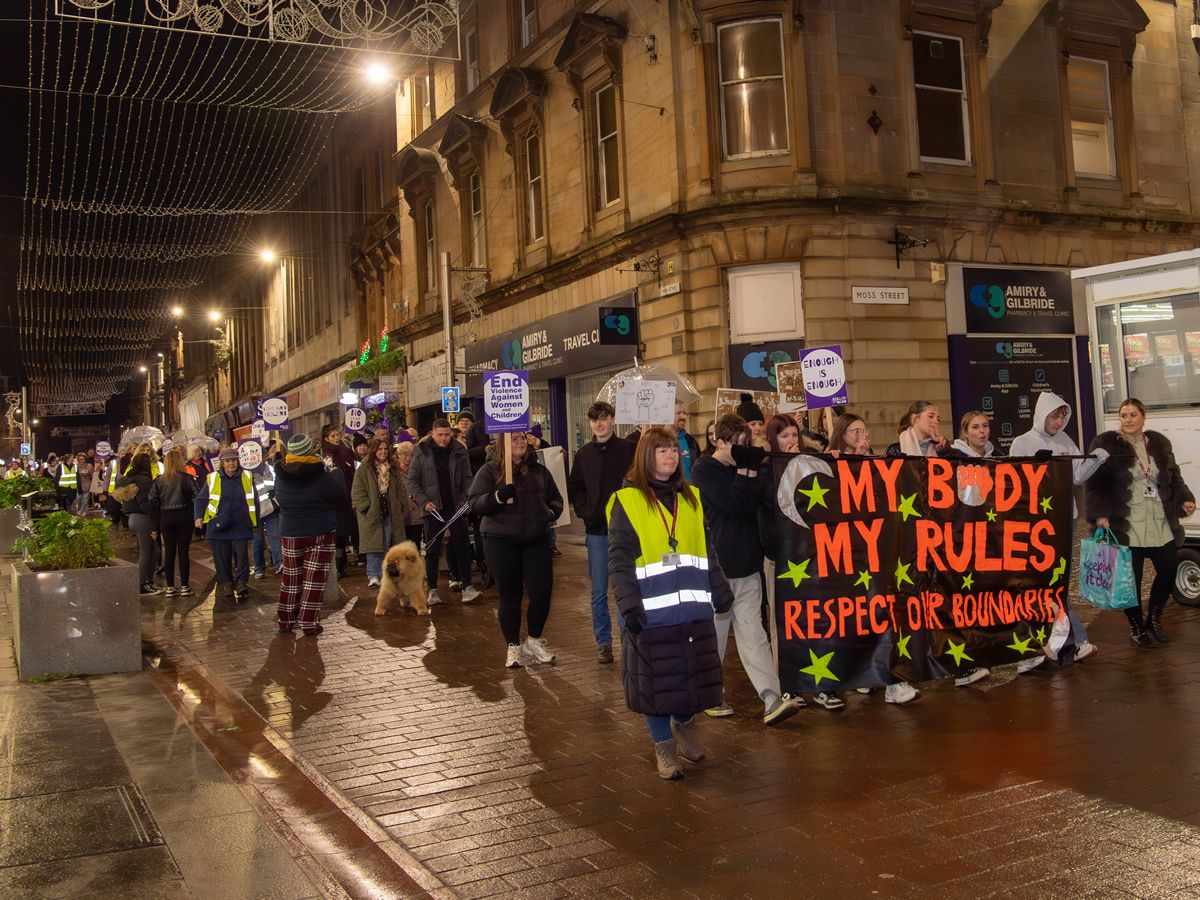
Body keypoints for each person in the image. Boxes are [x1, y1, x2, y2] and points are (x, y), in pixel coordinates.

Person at [607, 427, 735, 780]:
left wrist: (719, 587)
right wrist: (628, 604)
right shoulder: (626, 501)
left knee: (690, 677)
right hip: (651, 612)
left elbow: (706, 549)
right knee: (657, 682)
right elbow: (619, 559)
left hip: (693, 609)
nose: (670, 455)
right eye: (661, 450)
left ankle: (685, 728)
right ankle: (663, 746)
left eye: (673, 450)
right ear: (645, 457)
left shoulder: (691, 497)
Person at [691, 414, 803, 724]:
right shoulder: (704, 469)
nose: (742, 450)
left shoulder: (748, 468)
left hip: (747, 563)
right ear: (720, 442)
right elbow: (733, 506)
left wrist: (752, 470)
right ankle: (710, 694)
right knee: (715, 635)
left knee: (753, 633)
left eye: (746, 445)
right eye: (737, 446)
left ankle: (771, 697)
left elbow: (757, 501)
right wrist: (745, 470)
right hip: (717, 567)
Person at [1086, 398, 1196, 647]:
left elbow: (1174, 477)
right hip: (1128, 524)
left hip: (1160, 520)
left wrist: (1185, 500)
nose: (1128, 420)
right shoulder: (1106, 445)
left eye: (1133, 415)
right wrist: (1100, 513)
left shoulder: (1159, 444)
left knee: (1168, 570)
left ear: (1143, 418)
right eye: (1124, 415)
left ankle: (1154, 618)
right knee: (1130, 581)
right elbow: (1096, 484)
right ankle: (1136, 627)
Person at [1009, 391, 1107, 665]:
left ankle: (1062, 641)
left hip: (1065, 519)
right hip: (1037, 522)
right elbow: (1015, 481)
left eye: (1063, 415)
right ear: (1042, 415)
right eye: (1055, 415)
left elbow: (1076, 476)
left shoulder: (1065, 440)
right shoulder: (1022, 442)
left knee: (1057, 582)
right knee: (1046, 583)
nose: (1059, 420)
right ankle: (1071, 640)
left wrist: (1095, 460)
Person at [469, 430, 563, 668]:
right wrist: (497, 497)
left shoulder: (540, 471)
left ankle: (534, 639)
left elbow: (556, 499)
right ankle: (513, 645)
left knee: (541, 591)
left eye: (523, 438)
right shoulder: (489, 470)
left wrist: (550, 514)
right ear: (503, 443)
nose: (520, 442)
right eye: (514, 439)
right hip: (500, 539)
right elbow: (475, 503)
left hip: (535, 538)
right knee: (510, 595)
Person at [567, 400, 637, 664]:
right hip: (596, 531)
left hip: (625, 530)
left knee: (626, 586)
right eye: (595, 419)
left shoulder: (629, 450)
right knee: (598, 590)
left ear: (612, 420)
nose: (599, 423)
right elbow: (576, 487)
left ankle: (627, 638)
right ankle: (603, 642)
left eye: (604, 418)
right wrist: (587, 512)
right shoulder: (583, 454)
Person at [274, 433, 348, 637]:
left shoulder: (280, 474)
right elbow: (339, 494)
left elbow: (279, 498)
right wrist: (335, 472)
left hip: (290, 531)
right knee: (313, 580)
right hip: (320, 531)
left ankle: (286, 619)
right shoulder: (323, 474)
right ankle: (308, 622)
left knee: (291, 577)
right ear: (310, 450)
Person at [409, 418, 477, 605]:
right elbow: (413, 482)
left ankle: (467, 585)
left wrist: (466, 499)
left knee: (462, 546)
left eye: (447, 434)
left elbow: (467, 478)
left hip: (456, 507)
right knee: (432, 550)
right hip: (433, 509)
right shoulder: (421, 451)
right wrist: (424, 502)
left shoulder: (459, 450)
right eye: (440, 435)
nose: (444, 438)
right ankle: (432, 590)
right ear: (433, 433)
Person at [194, 447, 258, 602]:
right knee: (222, 558)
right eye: (228, 461)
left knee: (242, 557)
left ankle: (242, 583)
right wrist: (198, 517)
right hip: (218, 525)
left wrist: (255, 521)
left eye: (234, 460)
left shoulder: (247, 476)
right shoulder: (213, 478)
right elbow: (201, 500)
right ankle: (227, 583)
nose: (231, 463)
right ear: (222, 463)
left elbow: (254, 501)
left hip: (241, 524)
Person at [352, 438, 412, 588]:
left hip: (390, 509)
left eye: (385, 449)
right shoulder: (364, 468)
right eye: (380, 449)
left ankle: (390, 572)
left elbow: (400, 490)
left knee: (390, 541)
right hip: (372, 512)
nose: (383, 452)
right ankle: (373, 575)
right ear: (374, 450)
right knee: (374, 544)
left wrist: (401, 505)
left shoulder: (393, 468)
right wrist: (366, 507)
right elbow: (357, 491)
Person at [147, 447, 197, 596]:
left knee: (169, 552)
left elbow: (152, 500)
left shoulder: (159, 481)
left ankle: (170, 587)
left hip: (166, 517)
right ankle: (185, 586)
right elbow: (196, 496)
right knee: (183, 552)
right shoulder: (186, 478)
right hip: (184, 515)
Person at [116, 453, 159, 595]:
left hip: (132, 518)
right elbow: (146, 502)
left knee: (153, 551)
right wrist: (155, 521)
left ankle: (148, 582)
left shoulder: (127, 479)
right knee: (148, 552)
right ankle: (143, 584)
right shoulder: (144, 480)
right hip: (143, 518)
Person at [322, 424, 358, 576]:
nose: (336, 438)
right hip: (334, 501)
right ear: (326, 439)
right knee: (336, 534)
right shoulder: (326, 454)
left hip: (347, 497)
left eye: (337, 435)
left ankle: (342, 564)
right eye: (333, 436)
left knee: (343, 533)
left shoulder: (345, 450)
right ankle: (337, 565)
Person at [251, 455, 282, 578]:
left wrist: (276, 492)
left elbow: (278, 483)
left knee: (275, 537)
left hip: (271, 508)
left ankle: (279, 563)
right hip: (255, 511)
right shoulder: (247, 473)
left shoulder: (271, 468)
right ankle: (259, 568)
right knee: (257, 541)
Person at [394, 442, 425, 546]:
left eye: (411, 454)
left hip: (416, 514)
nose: (408, 457)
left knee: (415, 544)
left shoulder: (418, 468)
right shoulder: (393, 470)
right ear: (398, 455)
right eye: (404, 454)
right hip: (401, 514)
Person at [671, 401, 701, 480]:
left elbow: (698, 469)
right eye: (678, 413)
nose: (683, 417)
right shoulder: (660, 440)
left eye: (685, 413)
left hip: (690, 490)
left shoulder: (691, 441)